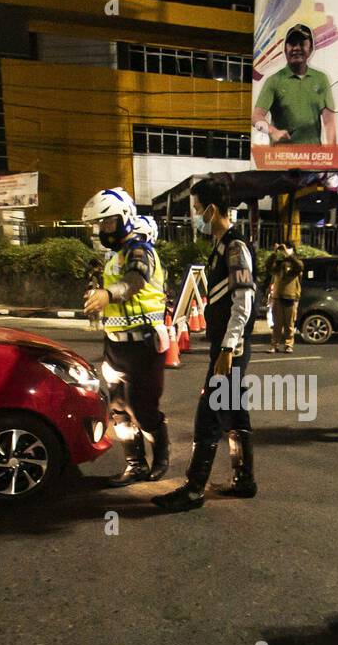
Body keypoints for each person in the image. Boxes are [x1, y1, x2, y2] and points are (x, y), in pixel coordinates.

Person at [153, 179, 258, 512]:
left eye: (198, 210)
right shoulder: (221, 246)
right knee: (234, 412)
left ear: (212, 210)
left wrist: (227, 348)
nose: (196, 216)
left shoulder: (235, 247)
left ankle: (193, 489)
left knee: (209, 415)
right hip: (228, 347)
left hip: (232, 348)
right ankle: (245, 481)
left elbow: (244, 301)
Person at [80, 187, 171, 486]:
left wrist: (108, 293)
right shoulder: (114, 256)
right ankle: (135, 464)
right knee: (118, 410)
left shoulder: (139, 249)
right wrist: (98, 300)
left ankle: (160, 459)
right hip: (116, 346)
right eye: (100, 224)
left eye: (108, 222)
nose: (103, 229)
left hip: (144, 345)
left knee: (144, 410)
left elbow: (134, 281)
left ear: (125, 218)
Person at [253, 24, 336, 146]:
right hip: (281, 160)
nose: (296, 48)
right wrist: (273, 131)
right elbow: (256, 117)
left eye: (302, 44)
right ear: (285, 49)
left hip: (312, 160)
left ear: (311, 48)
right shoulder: (274, 80)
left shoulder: (321, 79)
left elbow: (329, 122)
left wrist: (333, 153)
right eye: (292, 44)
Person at [265, 242, 303, 353]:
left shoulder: (295, 263)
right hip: (278, 297)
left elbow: (300, 266)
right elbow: (268, 266)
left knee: (289, 324)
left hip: (291, 297)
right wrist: (275, 253)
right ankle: (274, 345)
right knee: (277, 324)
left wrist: (288, 254)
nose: (285, 250)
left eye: (289, 248)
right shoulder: (278, 264)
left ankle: (288, 345)